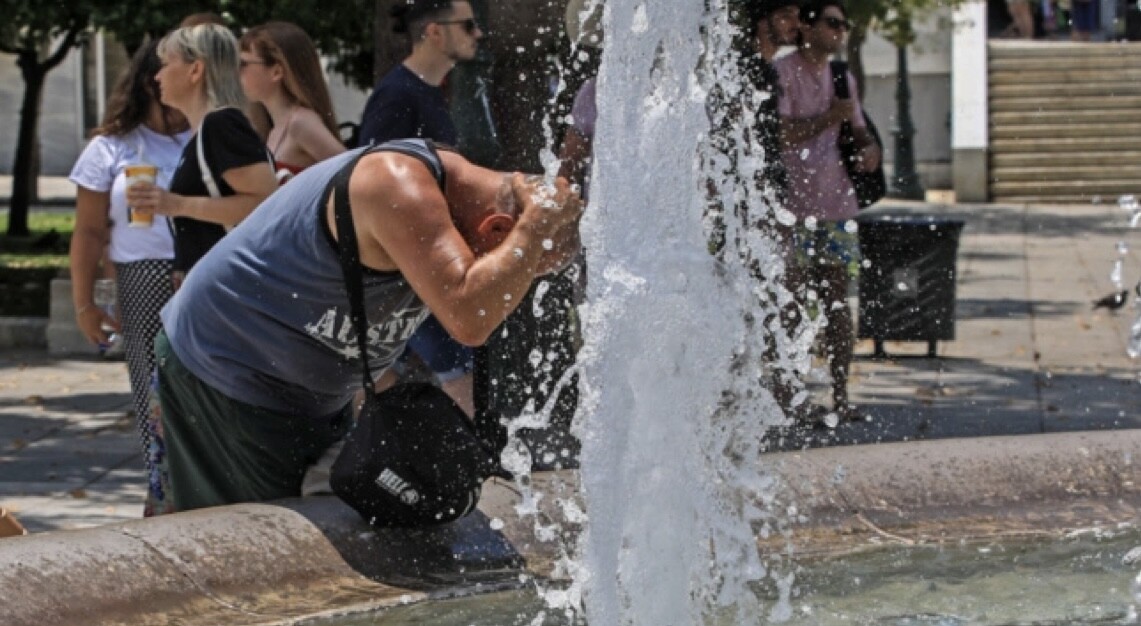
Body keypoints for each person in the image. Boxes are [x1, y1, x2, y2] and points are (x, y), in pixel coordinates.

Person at [152, 139, 583, 510]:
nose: (510, 295)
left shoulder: (451, 201)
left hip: (308, 390)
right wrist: (534, 230)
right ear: (498, 226)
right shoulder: (396, 182)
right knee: (250, 553)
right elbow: (469, 318)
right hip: (227, 367)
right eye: (516, 273)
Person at [68, 41, 192, 515]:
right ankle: (161, 492)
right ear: (149, 83)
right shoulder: (111, 147)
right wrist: (86, 303)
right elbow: (89, 230)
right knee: (151, 390)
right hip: (141, 278)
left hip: (202, 270)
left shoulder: (206, 134)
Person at [356, 0, 485, 416]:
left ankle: (414, 458)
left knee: (452, 370)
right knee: (452, 374)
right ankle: (419, 462)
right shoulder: (397, 95)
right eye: (467, 26)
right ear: (434, 32)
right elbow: (368, 181)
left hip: (421, 262)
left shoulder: (426, 92)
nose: (478, 34)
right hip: (408, 266)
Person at [774, 0, 881, 424]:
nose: (840, 32)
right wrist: (825, 120)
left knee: (837, 303)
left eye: (843, 25)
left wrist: (870, 148)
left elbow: (856, 129)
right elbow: (778, 135)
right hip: (793, 210)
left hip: (836, 205)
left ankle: (841, 394)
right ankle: (793, 397)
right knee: (794, 304)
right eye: (832, 23)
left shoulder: (841, 77)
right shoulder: (782, 72)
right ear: (807, 26)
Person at [127, 23, 278, 284]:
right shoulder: (206, 130)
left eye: (165, 64)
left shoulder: (221, 124)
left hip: (235, 290)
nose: (157, 76)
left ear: (196, 70)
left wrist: (176, 204)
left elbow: (265, 203)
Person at [239, 22, 345, 182]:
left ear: (276, 72)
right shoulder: (272, 127)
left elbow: (351, 172)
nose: (237, 71)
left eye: (243, 64)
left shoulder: (301, 122)